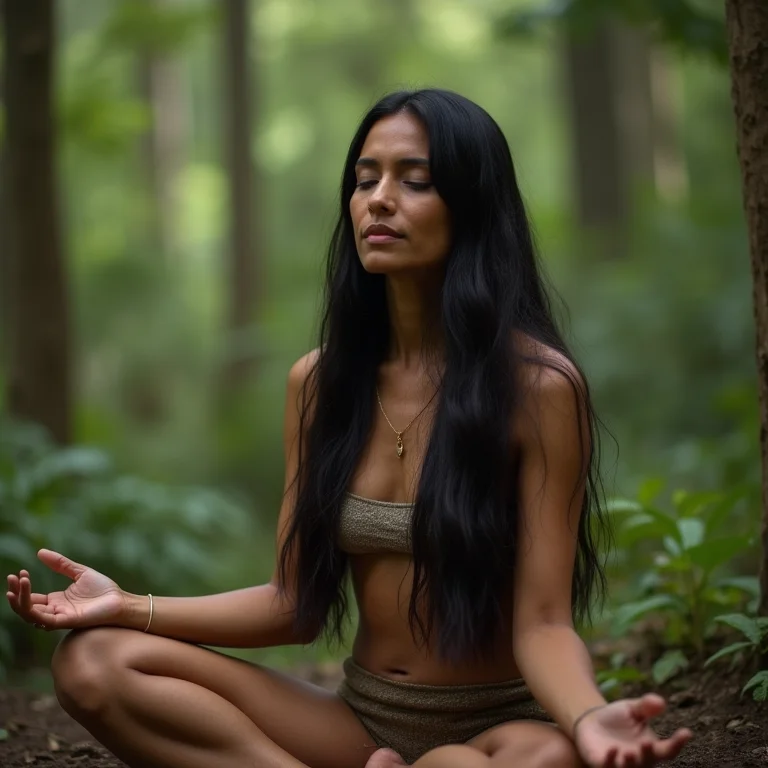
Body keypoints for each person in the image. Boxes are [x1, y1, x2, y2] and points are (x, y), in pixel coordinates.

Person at [6, 88, 692, 768]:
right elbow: (292, 602)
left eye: (414, 181)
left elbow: (543, 623)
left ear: (473, 204)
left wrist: (588, 714)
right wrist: (126, 606)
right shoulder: (321, 384)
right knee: (94, 662)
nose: (379, 199)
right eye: (365, 179)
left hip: (503, 727)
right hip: (360, 724)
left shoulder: (540, 389)